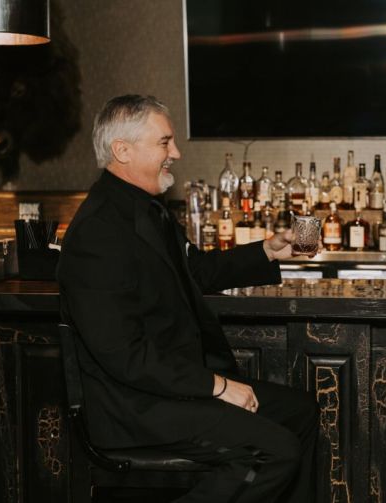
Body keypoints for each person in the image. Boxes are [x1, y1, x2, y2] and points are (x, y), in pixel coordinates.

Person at [57, 95, 318, 503]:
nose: (176, 153)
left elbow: (194, 272)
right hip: (135, 405)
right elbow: (123, 354)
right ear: (121, 150)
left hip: (170, 386)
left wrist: (266, 249)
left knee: (301, 412)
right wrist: (215, 386)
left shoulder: (147, 210)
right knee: (275, 450)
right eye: (165, 142)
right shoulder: (99, 232)